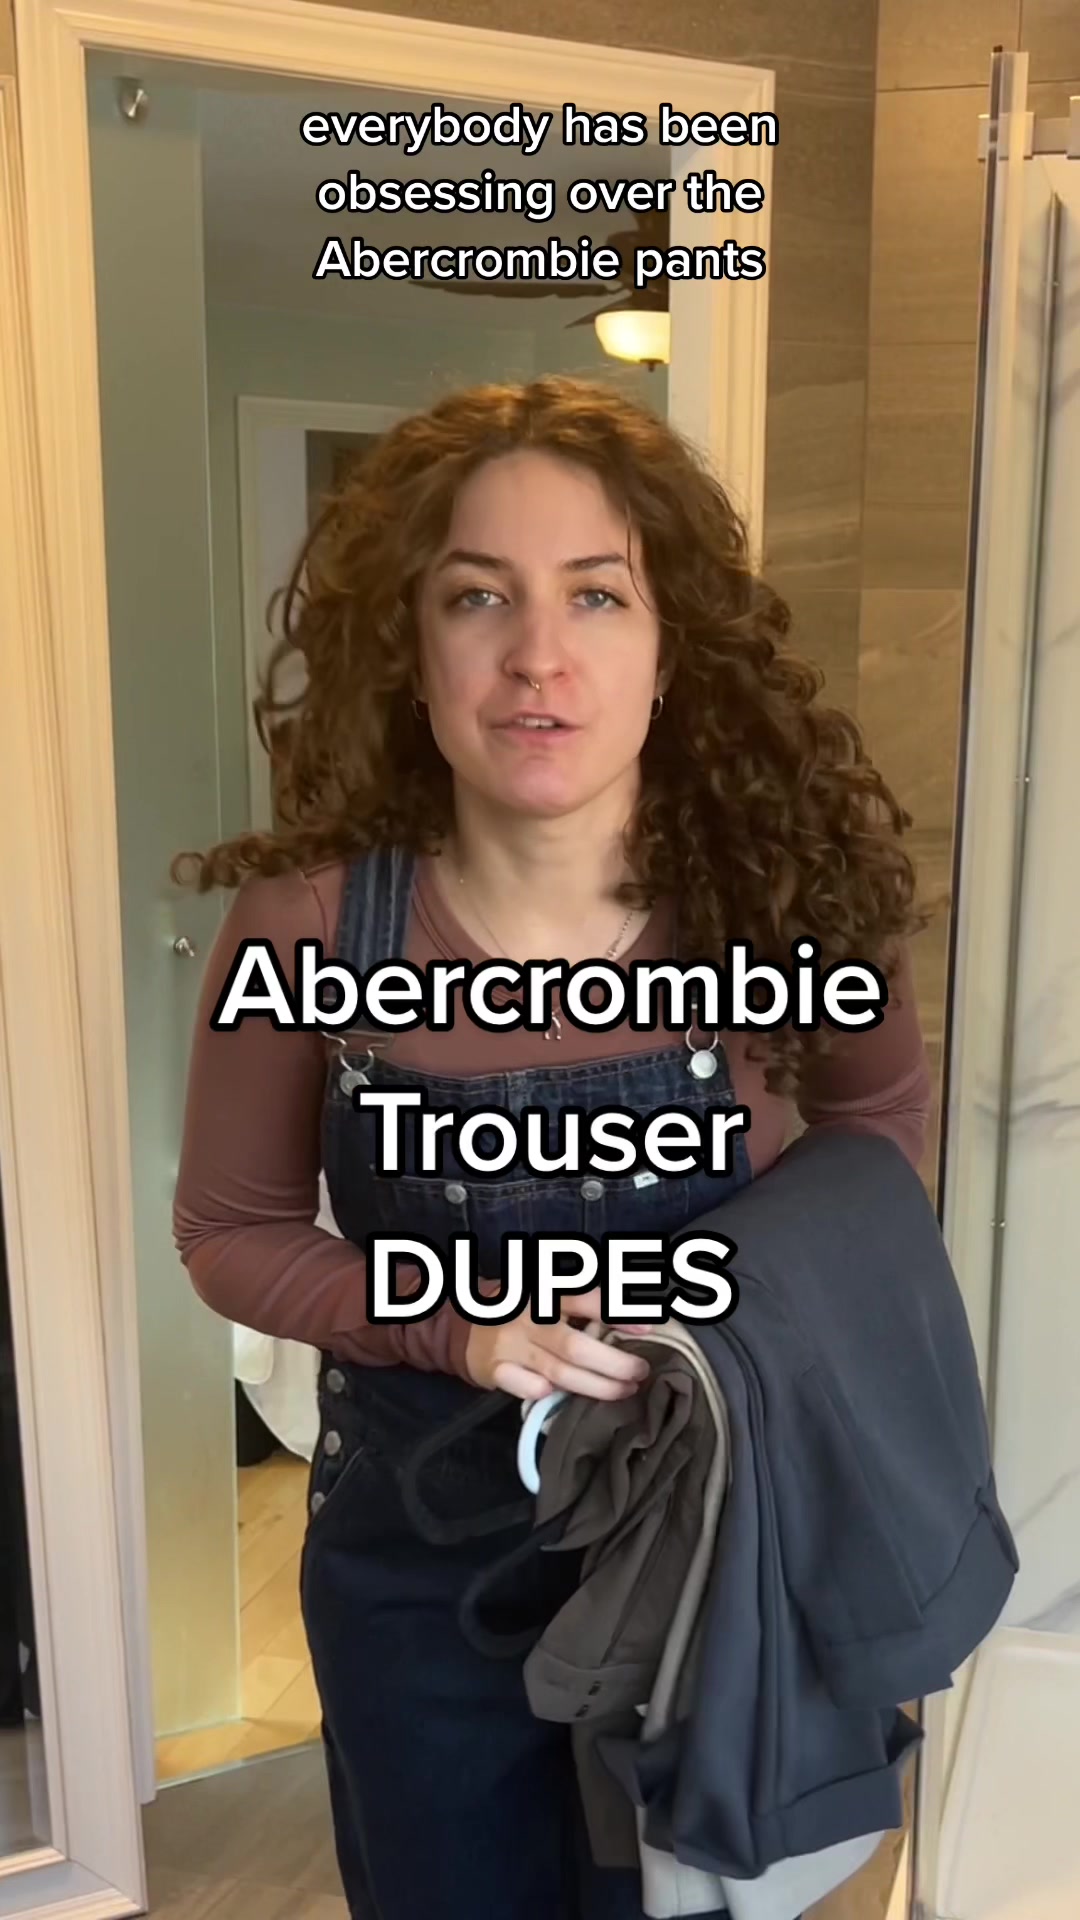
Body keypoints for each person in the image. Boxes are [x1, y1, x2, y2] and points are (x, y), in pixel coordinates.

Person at [172, 375, 932, 1920]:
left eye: (597, 593)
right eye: (477, 596)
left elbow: (879, 1130)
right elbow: (228, 1231)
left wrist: (744, 1313)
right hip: (414, 1568)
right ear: (411, 648)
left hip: (708, 1540)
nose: (538, 654)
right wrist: (453, 1330)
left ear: (672, 647)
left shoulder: (781, 909)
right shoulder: (305, 928)